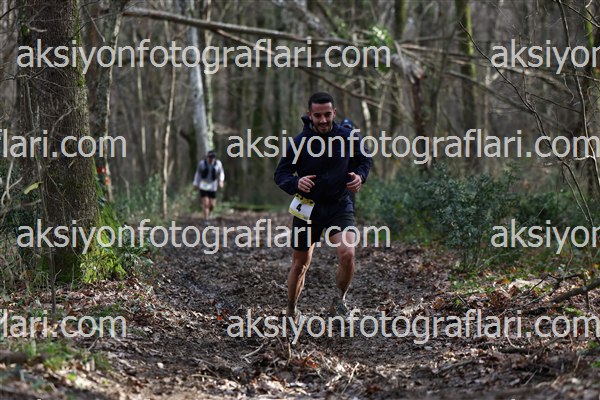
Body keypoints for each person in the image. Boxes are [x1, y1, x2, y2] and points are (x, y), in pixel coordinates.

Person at [274, 92, 372, 319]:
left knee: (348, 253)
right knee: (300, 264)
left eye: (327, 114)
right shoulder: (299, 143)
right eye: (318, 115)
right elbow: (281, 174)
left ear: (334, 113)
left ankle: (340, 300)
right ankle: (291, 309)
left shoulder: (348, 137)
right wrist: (296, 182)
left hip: (339, 205)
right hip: (307, 208)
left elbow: (365, 160)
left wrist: (360, 176)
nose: (323, 120)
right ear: (310, 115)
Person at [193, 150, 225, 221]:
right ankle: (206, 219)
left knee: (212, 205)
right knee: (206, 203)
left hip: (213, 186)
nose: (211, 159)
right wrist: (196, 183)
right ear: (207, 157)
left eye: (213, 158)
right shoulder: (202, 164)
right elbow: (197, 174)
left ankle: (209, 213)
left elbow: (221, 173)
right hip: (203, 185)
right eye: (210, 157)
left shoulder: (218, 164)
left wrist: (221, 181)